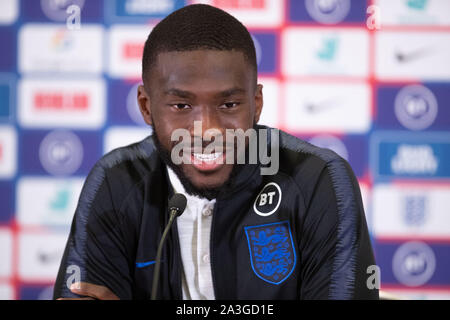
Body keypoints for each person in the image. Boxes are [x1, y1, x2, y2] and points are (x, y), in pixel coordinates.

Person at [54, 4, 378, 300]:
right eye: (181, 105)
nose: (207, 131)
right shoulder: (115, 182)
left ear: (256, 105)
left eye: (228, 105)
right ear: (147, 107)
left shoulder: (317, 180)